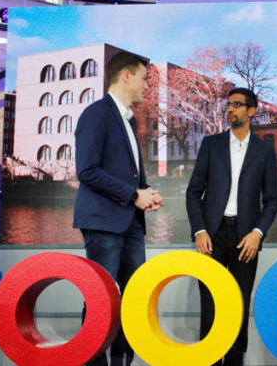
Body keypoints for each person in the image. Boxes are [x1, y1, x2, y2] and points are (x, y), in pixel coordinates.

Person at [74, 51, 164, 366]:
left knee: (134, 300)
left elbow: (125, 174)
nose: (146, 86)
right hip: (104, 224)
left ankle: (122, 362)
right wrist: (132, 194)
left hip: (131, 225)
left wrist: (147, 193)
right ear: (126, 76)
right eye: (143, 79)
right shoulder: (96, 114)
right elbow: (86, 171)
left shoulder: (127, 119)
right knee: (100, 300)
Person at [186, 87, 277, 366]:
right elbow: (193, 192)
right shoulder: (211, 144)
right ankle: (209, 360)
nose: (230, 109)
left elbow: (272, 201)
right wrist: (199, 230)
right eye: (228, 105)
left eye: (237, 105)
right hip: (211, 236)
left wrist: (257, 233)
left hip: (246, 239)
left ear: (251, 111)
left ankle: (236, 361)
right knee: (211, 305)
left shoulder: (264, 151)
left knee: (238, 304)